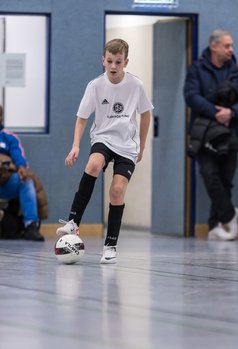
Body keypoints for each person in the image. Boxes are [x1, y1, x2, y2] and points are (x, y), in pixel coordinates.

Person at [57, 38, 153, 263]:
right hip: (103, 138)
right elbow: (81, 118)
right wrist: (75, 145)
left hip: (127, 145)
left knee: (117, 191)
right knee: (92, 164)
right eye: (109, 61)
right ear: (103, 60)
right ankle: (73, 220)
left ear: (125, 62)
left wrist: (142, 143)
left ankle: (110, 246)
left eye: (118, 62)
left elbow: (146, 114)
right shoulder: (95, 86)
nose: (113, 66)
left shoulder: (136, 85)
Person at [184, 29, 238, 241]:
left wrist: (232, 112)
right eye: (227, 46)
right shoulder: (197, 69)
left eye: (232, 46)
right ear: (214, 46)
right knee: (209, 175)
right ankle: (229, 214)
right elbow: (191, 96)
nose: (231, 50)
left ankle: (215, 225)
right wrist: (217, 113)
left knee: (226, 180)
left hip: (231, 133)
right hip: (204, 134)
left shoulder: (236, 70)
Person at [0, 105, 45, 241]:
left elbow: (18, 156)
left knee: (26, 181)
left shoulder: (9, 138)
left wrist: (21, 167)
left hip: (5, 181)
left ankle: (30, 225)